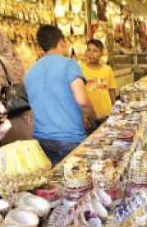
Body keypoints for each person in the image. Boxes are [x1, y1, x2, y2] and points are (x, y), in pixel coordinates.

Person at [24, 25, 96, 164]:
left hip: (42, 139)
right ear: (62, 42)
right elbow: (82, 100)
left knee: (54, 182)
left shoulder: (30, 71)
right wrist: (93, 115)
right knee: (76, 182)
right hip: (70, 138)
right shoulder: (69, 64)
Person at [80, 38, 117, 121]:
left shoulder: (107, 69)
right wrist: (83, 114)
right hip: (90, 116)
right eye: (89, 50)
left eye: (95, 51)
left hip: (106, 113)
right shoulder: (80, 70)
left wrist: (114, 111)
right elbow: (79, 95)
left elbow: (111, 91)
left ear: (101, 53)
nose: (91, 53)